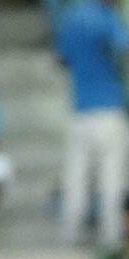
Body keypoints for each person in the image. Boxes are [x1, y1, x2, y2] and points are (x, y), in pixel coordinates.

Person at [53, 0, 129, 246]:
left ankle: (68, 236)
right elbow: (123, 45)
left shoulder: (72, 16)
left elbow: (62, 59)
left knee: (76, 177)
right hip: (108, 108)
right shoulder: (105, 17)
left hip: (80, 110)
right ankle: (111, 237)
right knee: (111, 178)